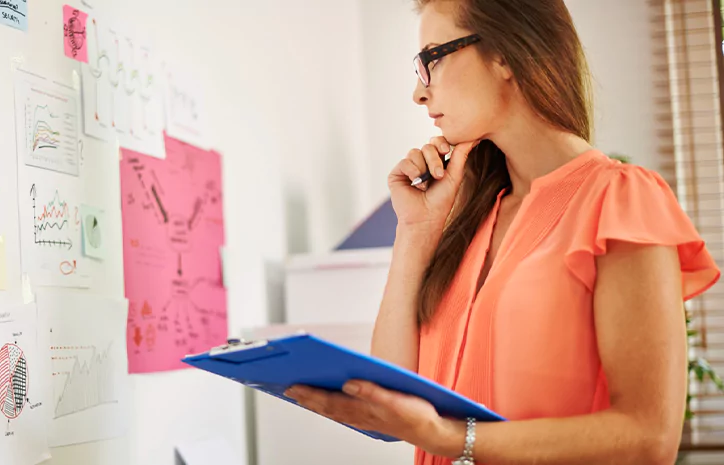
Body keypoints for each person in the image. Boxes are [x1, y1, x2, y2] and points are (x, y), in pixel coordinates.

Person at [283, 0, 722, 463]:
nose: (418, 92)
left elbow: (648, 437)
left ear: (505, 56)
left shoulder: (620, 200)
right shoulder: (471, 215)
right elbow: (388, 394)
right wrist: (414, 232)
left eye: (432, 59)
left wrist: (454, 439)